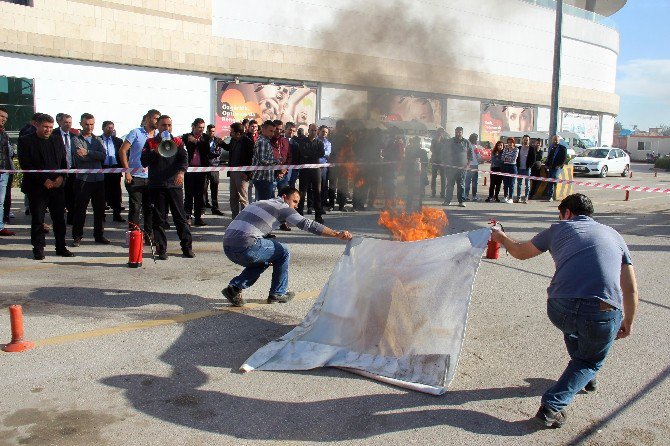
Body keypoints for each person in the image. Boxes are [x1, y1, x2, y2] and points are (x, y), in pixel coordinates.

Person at [490, 193, 638, 428]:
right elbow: (629, 287)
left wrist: (501, 238)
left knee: (576, 334)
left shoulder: (558, 229)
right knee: (590, 359)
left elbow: (519, 251)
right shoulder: (614, 235)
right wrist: (628, 320)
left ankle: (583, 378)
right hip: (601, 312)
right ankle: (553, 405)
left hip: (560, 308)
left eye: (561, 213)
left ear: (567, 213)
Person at [221, 186, 352, 307]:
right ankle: (278, 293)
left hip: (228, 247)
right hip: (246, 245)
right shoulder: (283, 207)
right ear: (284, 197)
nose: (295, 206)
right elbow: (308, 224)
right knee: (283, 251)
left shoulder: (258, 203)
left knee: (264, 260)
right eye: (294, 201)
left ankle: (234, 288)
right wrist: (336, 234)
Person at [17, 114, 74, 260]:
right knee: (38, 219)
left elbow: (63, 161)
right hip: (37, 188)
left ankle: (61, 246)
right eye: (45, 127)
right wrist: (44, 180)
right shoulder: (26, 141)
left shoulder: (57, 139)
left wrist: (61, 177)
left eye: (50, 127)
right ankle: (38, 248)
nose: (48, 130)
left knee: (59, 219)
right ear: (37, 126)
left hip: (57, 186)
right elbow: (26, 165)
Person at [141, 115, 194, 260]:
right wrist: (154, 152)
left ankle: (187, 247)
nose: (167, 128)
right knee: (158, 219)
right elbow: (143, 162)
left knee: (180, 218)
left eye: (169, 125)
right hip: (157, 185)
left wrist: (182, 172)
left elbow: (184, 159)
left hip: (174, 185)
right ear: (158, 126)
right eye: (164, 125)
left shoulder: (177, 141)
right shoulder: (150, 142)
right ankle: (161, 249)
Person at [119, 109, 160, 237]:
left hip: (152, 177)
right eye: (155, 118)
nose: (157, 121)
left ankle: (148, 235)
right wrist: (127, 172)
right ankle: (133, 236)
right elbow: (122, 151)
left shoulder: (159, 135)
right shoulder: (135, 133)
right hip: (136, 177)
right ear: (147, 118)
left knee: (150, 208)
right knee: (135, 208)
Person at [71, 113, 110, 246]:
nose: (89, 127)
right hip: (83, 179)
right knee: (80, 210)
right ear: (81, 124)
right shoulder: (76, 139)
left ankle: (99, 235)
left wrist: (87, 152)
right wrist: (94, 155)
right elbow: (79, 157)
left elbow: (103, 156)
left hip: (98, 180)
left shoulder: (98, 139)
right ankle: (77, 236)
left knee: (99, 210)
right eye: (86, 124)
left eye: (92, 124)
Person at [182, 118, 211, 226]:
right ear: (193, 127)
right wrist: (192, 141)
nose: (201, 130)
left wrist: (196, 142)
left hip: (201, 170)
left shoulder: (205, 137)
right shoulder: (186, 137)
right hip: (189, 170)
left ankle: (198, 217)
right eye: (199, 127)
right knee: (189, 194)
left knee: (200, 195)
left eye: (203, 128)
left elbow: (206, 150)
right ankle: (187, 216)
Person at [223, 122, 254, 218]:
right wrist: (221, 143)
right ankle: (235, 218)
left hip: (242, 174)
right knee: (233, 197)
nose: (230, 133)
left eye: (232, 132)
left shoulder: (248, 142)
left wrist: (247, 173)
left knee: (243, 198)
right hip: (233, 172)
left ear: (238, 133)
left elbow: (252, 159)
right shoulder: (233, 140)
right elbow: (228, 148)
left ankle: (245, 220)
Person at [50, 113, 77, 224]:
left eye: (70, 122)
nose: (68, 125)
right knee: (59, 196)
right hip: (59, 171)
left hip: (72, 170)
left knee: (72, 196)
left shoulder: (73, 136)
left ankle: (71, 218)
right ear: (60, 122)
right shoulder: (53, 135)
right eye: (66, 122)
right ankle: (58, 218)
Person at [297, 123, 325, 222]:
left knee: (317, 192)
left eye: (315, 130)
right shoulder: (302, 141)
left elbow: (321, 153)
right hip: (305, 170)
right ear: (308, 130)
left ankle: (318, 215)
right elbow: (303, 152)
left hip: (316, 170)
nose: (313, 132)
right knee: (302, 193)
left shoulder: (319, 143)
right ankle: (299, 215)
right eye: (312, 130)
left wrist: (310, 155)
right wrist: (312, 154)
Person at [442, 126, 473, 207]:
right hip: (450, 168)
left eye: (459, 132)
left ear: (462, 133)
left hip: (462, 169)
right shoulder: (449, 141)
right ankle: (447, 201)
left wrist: (468, 165)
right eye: (456, 132)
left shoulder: (466, 142)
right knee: (449, 185)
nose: (457, 134)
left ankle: (461, 201)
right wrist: (445, 163)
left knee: (461, 185)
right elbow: (444, 153)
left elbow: (471, 155)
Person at [101, 120, 125, 221]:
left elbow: (121, 155)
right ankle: (101, 215)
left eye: (112, 128)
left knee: (116, 193)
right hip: (102, 170)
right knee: (102, 193)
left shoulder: (118, 141)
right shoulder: (98, 139)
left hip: (115, 169)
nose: (110, 130)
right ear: (103, 128)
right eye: (108, 127)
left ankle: (117, 214)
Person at [251, 120, 279, 201]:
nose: (272, 133)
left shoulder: (265, 141)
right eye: (270, 131)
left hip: (267, 178)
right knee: (266, 205)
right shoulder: (262, 142)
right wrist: (276, 161)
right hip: (263, 179)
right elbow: (262, 160)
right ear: (263, 129)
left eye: (273, 131)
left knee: (268, 203)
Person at [0, 106, 16, 236]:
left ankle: (0, 227)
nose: (3, 119)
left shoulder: (4, 134)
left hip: (4, 171)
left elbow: (7, 153)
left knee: (1, 201)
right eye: (1, 116)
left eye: (5, 118)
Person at [203, 124, 225, 216]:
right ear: (207, 131)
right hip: (204, 166)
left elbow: (218, 153)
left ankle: (215, 208)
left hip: (214, 166)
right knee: (203, 188)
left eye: (213, 131)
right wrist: (210, 153)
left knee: (214, 188)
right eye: (210, 131)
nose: (211, 133)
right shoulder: (203, 140)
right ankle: (203, 207)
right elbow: (203, 152)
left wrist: (210, 154)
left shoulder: (217, 141)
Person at [404, 136, 429, 213]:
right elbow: (406, 163)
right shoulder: (409, 151)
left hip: (420, 176)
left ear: (420, 143)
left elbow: (425, 164)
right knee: (410, 193)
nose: (416, 144)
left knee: (419, 194)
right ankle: (408, 210)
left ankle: (418, 210)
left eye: (417, 142)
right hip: (411, 175)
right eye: (415, 142)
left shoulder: (423, 152)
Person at [545, 135, 567, 201]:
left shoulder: (562, 148)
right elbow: (549, 157)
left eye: (556, 140)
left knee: (554, 177)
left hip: (558, 167)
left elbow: (564, 158)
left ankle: (556, 193)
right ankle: (550, 196)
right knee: (550, 180)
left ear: (559, 140)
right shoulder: (551, 147)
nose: (555, 141)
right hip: (551, 166)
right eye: (554, 140)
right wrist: (546, 164)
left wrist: (560, 165)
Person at [515, 134, 536, 203]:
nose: (525, 141)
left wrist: (530, 166)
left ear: (529, 141)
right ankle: (518, 197)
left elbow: (533, 159)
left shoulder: (531, 149)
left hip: (527, 169)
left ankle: (526, 198)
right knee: (519, 184)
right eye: (524, 139)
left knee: (527, 184)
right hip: (519, 168)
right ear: (522, 140)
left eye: (527, 140)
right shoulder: (519, 148)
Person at [464, 133, 482, 201]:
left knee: (467, 181)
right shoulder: (475, 146)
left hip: (468, 164)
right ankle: (474, 196)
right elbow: (478, 156)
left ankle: (465, 195)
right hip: (474, 165)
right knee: (474, 181)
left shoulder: (467, 145)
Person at [501, 137, 519, 203]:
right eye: (508, 142)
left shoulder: (516, 149)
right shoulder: (505, 149)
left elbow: (513, 159)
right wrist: (508, 158)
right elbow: (502, 158)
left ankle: (511, 198)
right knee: (505, 183)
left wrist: (507, 158)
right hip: (505, 167)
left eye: (511, 142)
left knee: (511, 183)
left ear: (513, 143)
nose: (509, 144)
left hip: (512, 167)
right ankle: (505, 196)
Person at [430, 128, 446, 198]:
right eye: (439, 132)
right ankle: (433, 192)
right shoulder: (434, 140)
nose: (440, 134)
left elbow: (446, 150)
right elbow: (431, 149)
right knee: (433, 177)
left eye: (441, 132)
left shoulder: (445, 141)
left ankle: (442, 193)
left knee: (443, 178)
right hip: (435, 161)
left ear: (443, 133)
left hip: (442, 161)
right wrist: (436, 142)